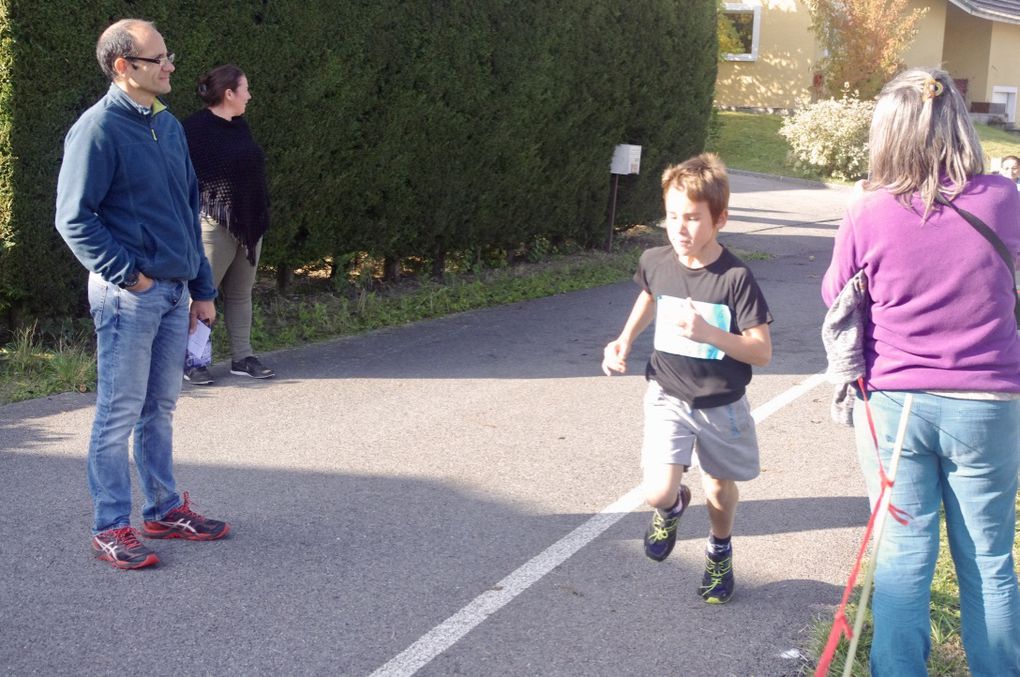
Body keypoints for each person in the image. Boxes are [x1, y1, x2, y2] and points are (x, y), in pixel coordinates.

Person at [821, 68, 1020, 676]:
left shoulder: (868, 211)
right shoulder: (1007, 200)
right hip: (989, 400)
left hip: (896, 404)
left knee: (905, 555)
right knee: (988, 559)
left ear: (888, 134)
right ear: (960, 122)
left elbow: (836, 294)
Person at [55, 19, 231, 570]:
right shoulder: (98, 129)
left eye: (167, 55)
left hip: (176, 292)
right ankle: (111, 526)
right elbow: (74, 219)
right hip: (128, 296)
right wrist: (129, 276)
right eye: (160, 58)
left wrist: (202, 287)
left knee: (160, 409)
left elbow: (185, 210)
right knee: (118, 413)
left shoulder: (168, 125)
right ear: (124, 67)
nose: (171, 65)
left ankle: (162, 509)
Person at [601, 153, 772, 604]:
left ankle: (719, 553)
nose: (680, 228)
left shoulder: (736, 277)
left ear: (720, 219)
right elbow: (649, 297)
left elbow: (762, 350)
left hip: (721, 402)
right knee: (657, 491)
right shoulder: (656, 260)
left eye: (693, 218)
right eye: (672, 216)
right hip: (667, 392)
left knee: (718, 488)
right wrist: (623, 340)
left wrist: (711, 333)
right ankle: (674, 505)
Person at [181, 64, 274, 385]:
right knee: (202, 294)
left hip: (249, 224)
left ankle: (242, 356)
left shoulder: (240, 125)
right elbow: (185, 177)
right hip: (212, 223)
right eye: (245, 89)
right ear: (229, 93)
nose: (249, 95)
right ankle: (194, 361)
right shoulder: (194, 129)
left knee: (240, 293)